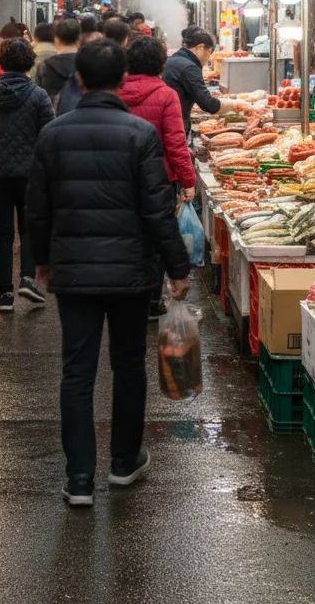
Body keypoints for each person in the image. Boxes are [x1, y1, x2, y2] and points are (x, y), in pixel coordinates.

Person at [27, 38, 191, 507]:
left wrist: (41, 261)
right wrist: (177, 268)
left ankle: (79, 479)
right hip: (131, 273)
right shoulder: (141, 136)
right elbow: (158, 212)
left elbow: (37, 210)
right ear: (123, 81)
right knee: (127, 364)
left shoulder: (54, 134)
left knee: (77, 372)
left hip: (74, 273)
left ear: (79, 79)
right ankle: (123, 463)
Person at [0, 37, 54, 312]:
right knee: (28, 229)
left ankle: (5, 295)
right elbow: (49, 137)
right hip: (30, 175)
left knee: (3, 234)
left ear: (0, 62)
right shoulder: (39, 96)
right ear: (30, 62)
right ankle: (27, 279)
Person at [119, 35, 197, 319]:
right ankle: (152, 301)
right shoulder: (166, 95)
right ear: (161, 65)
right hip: (161, 179)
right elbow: (176, 143)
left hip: (121, 179)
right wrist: (188, 180)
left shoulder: (114, 93)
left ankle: (127, 292)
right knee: (156, 238)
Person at [163, 25, 222, 137]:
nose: (208, 57)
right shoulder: (189, 67)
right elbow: (208, 104)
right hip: (174, 124)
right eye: (209, 52)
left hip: (167, 119)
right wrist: (237, 105)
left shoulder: (175, 59)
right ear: (200, 47)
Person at [36, 17, 80, 103]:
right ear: (79, 39)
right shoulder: (87, 63)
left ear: (56, 39)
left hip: (53, 113)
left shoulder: (45, 65)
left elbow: (39, 95)